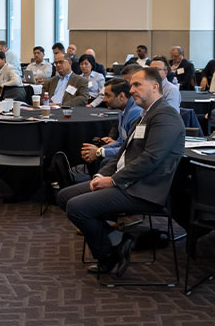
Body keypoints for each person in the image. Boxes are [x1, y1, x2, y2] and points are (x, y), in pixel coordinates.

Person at [57, 67, 185, 279]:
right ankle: (118, 240)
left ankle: (108, 254)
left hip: (145, 190)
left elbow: (151, 160)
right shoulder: (144, 116)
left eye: (137, 85)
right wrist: (100, 176)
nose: (131, 89)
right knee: (64, 196)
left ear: (155, 86)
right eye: (131, 85)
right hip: (126, 182)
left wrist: (113, 181)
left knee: (77, 207)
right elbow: (121, 154)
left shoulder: (166, 116)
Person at [80, 80, 143, 166]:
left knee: (105, 161)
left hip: (133, 159)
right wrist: (99, 149)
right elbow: (121, 141)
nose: (104, 100)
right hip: (126, 153)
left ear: (121, 96)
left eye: (107, 95)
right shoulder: (123, 111)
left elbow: (130, 149)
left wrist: (99, 152)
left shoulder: (135, 113)